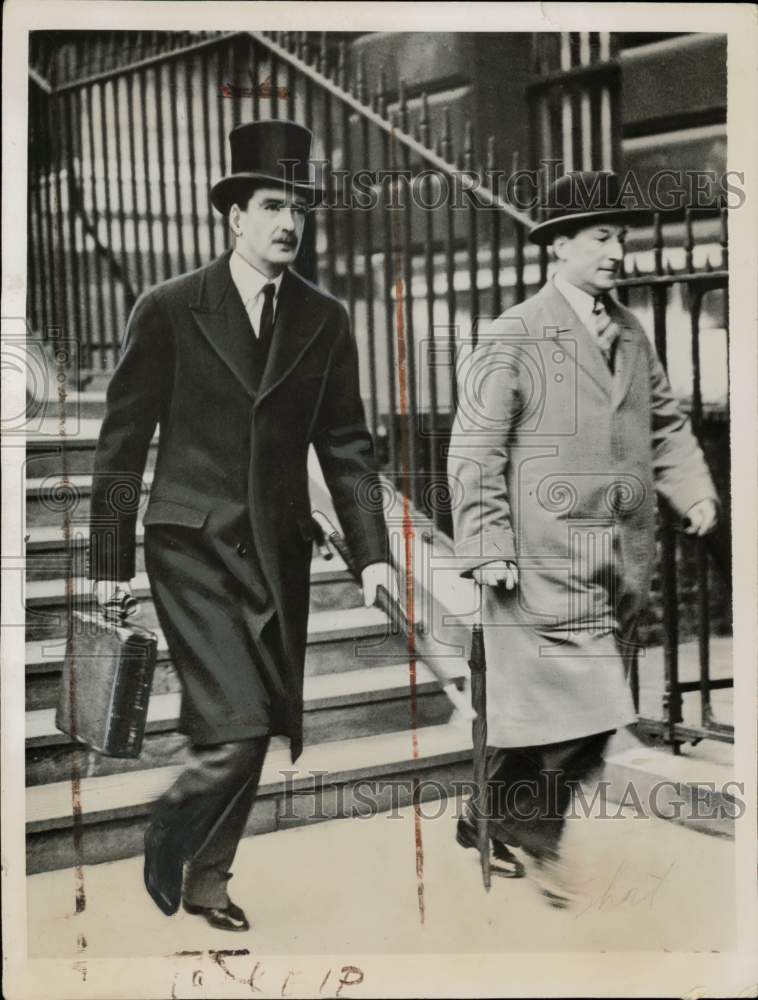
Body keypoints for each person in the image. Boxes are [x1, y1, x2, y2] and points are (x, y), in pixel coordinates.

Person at [88, 120, 398, 931]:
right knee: (234, 728)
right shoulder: (168, 308)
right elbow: (121, 442)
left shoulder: (325, 319)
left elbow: (348, 448)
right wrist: (107, 554)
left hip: (276, 552)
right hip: (189, 546)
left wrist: (375, 555)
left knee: (262, 727)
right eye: (271, 204)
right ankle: (169, 833)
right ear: (234, 215)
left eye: (299, 206)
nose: (288, 222)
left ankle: (209, 881)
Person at [447, 170, 718, 907]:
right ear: (559, 245)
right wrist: (487, 541)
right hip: (537, 559)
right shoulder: (513, 333)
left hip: (615, 559)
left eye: (621, 235)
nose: (617, 250)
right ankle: (541, 843)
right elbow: (474, 446)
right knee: (597, 708)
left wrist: (692, 490)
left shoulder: (629, 332)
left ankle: (487, 816)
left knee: (564, 714)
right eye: (601, 235)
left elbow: (663, 424)